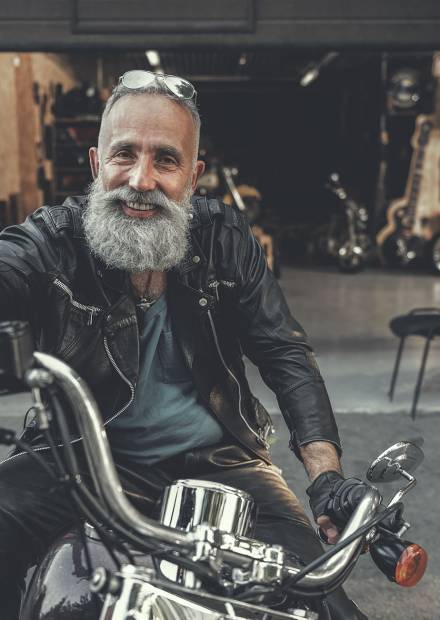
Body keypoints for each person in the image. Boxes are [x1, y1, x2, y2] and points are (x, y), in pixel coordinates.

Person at [0, 70, 368, 618]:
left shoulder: (225, 237)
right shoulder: (52, 240)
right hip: (80, 456)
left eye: (165, 160)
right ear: (98, 165)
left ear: (193, 177)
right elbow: (11, 270)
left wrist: (326, 478)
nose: (142, 180)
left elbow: (283, 352)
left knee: (315, 591)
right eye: (125, 155)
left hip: (222, 459)